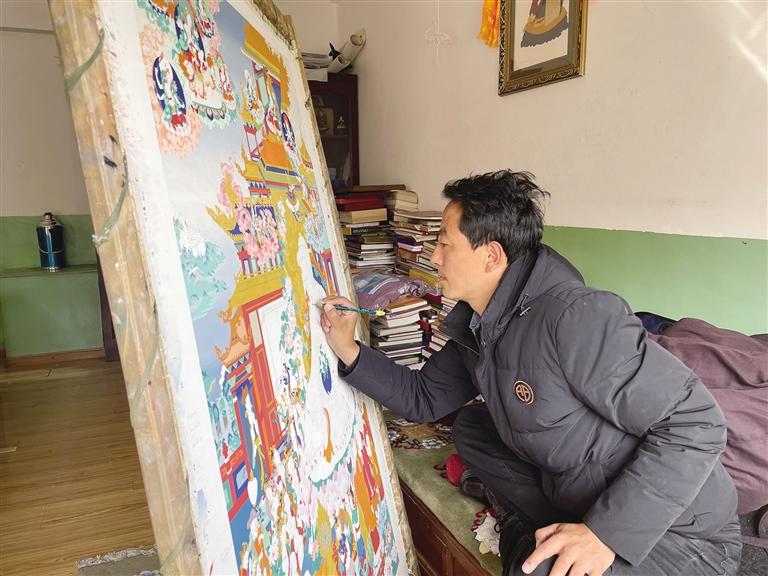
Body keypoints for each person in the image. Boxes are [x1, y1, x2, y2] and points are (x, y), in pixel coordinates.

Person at [320, 170, 742, 576]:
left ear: (491, 256)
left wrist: (603, 536)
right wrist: (347, 348)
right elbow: (424, 397)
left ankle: (532, 533)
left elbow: (695, 422)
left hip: (681, 532)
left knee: (536, 569)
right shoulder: (479, 323)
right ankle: (539, 526)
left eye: (445, 244)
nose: (434, 257)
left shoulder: (575, 317)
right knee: (471, 427)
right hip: (573, 490)